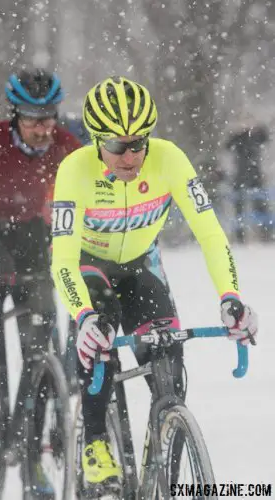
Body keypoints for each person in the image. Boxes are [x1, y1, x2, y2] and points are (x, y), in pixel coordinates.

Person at [50, 76, 259, 494]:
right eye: (116, 146)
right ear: (96, 142)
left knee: (168, 360)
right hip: (91, 269)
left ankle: (165, 450)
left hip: (141, 267)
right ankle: (94, 442)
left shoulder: (170, 160)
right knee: (101, 342)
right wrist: (85, 317)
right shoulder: (74, 170)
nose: (130, 156)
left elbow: (211, 234)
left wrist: (231, 298)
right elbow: (63, 261)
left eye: (138, 143)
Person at [0, 69, 81, 492]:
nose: (43, 128)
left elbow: (94, 196)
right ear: (14, 115)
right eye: (32, 118)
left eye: (49, 117)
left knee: (42, 341)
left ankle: (33, 455)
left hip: (31, 231)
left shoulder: (66, 146)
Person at [224, 117, 273, 243]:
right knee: (239, 205)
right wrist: (238, 131)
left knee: (260, 203)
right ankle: (240, 236)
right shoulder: (238, 137)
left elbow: (265, 137)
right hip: (240, 174)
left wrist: (256, 127)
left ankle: (265, 233)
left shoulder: (255, 135)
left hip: (255, 172)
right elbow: (227, 146)